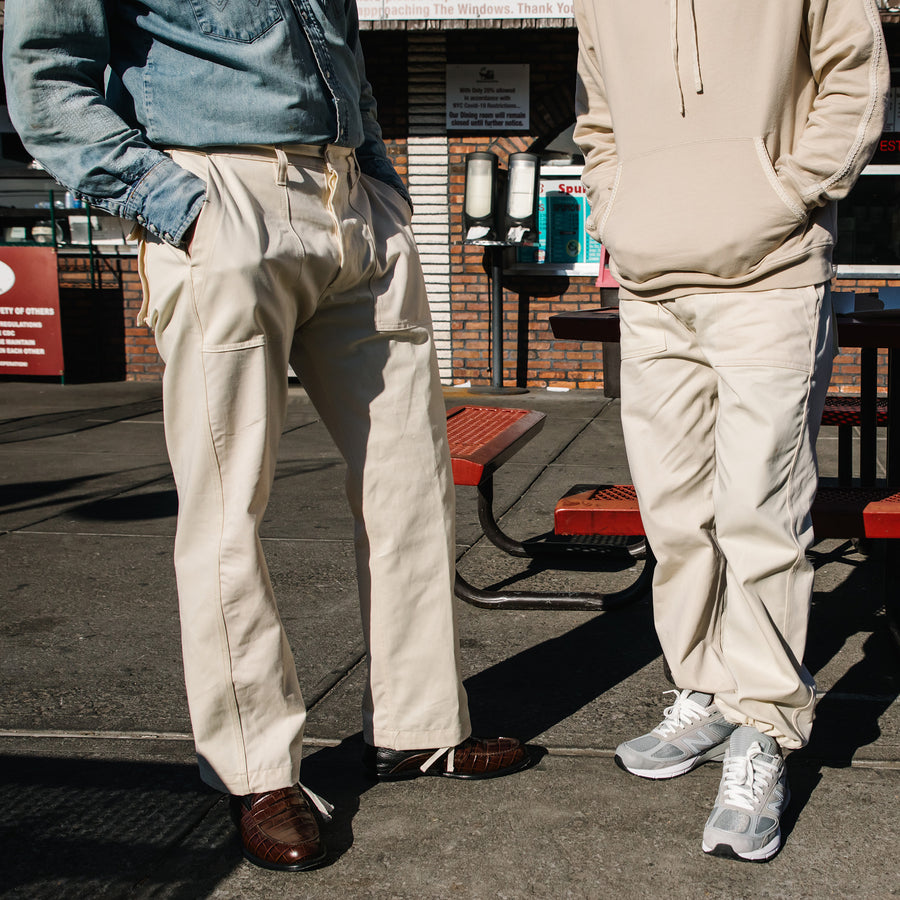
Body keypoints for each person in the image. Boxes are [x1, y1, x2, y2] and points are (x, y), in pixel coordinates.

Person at [3, 0, 530, 873]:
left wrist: (381, 185)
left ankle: (419, 725)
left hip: (352, 201)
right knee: (226, 504)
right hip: (220, 196)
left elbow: (341, 52)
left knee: (411, 484)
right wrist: (177, 206)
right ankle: (255, 769)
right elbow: (47, 77)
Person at [573, 0, 888, 862]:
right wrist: (616, 206)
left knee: (759, 510)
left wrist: (786, 194)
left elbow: (855, 76)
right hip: (649, 282)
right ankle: (706, 689)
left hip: (773, 277)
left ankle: (766, 723)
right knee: (674, 513)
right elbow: (598, 116)